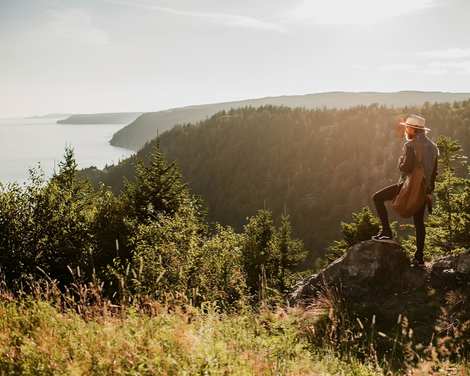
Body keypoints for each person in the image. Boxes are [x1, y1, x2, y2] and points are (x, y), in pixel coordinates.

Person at [372, 115, 438, 265]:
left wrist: (400, 162)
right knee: (419, 222)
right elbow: (434, 172)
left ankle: (387, 232)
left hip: (407, 187)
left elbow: (406, 168)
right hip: (424, 190)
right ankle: (419, 257)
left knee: (377, 197)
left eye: (407, 127)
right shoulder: (434, 147)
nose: (405, 130)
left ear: (413, 129)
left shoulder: (411, 145)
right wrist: (428, 190)